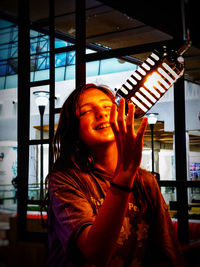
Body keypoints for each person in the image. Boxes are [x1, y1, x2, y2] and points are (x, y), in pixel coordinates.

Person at [46, 83, 186, 266]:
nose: (101, 113)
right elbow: (93, 253)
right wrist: (124, 176)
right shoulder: (65, 180)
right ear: (75, 130)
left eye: (107, 107)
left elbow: (167, 252)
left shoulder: (145, 181)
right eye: (86, 111)